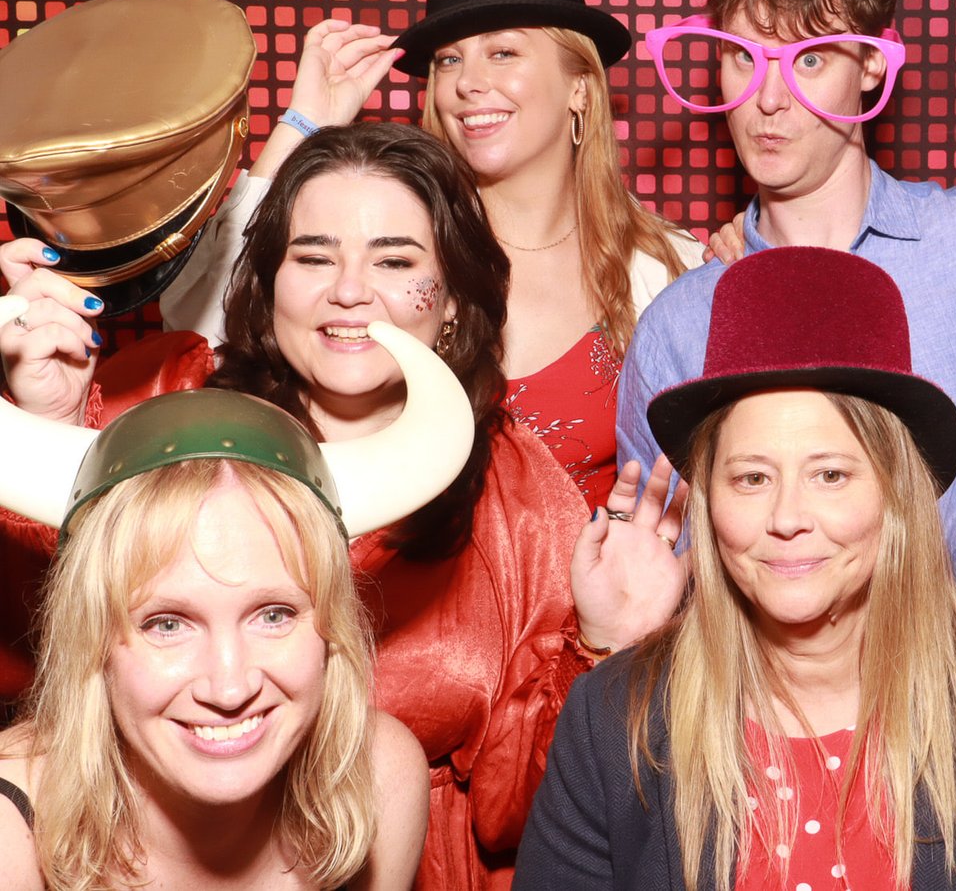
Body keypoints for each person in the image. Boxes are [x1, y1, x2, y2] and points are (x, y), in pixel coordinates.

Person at [1, 123, 684, 890]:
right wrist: (56, 426)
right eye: (313, 257)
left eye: (394, 260)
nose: (349, 290)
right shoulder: (163, 404)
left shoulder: (518, 498)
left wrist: (605, 649)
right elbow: (42, 663)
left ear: (452, 298)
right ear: (269, 281)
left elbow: (518, 816)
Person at [517, 246, 956, 891]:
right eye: (752, 477)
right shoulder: (611, 720)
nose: (787, 517)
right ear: (707, 501)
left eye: (830, 475)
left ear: (895, 493)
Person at [617, 0, 956, 630]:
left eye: (809, 60)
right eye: (743, 57)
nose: (768, 100)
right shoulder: (682, 323)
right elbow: (662, 579)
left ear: (872, 65)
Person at [160, 0, 703, 510]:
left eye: (502, 53)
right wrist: (304, 125)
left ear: (580, 86)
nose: (468, 82)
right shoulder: (398, 244)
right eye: (449, 60)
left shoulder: (666, 266)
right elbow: (201, 324)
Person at [0, 309, 474, 889]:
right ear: (91, 636)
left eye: (273, 615)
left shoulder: (380, 780)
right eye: (167, 624)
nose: (229, 688)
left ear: (333, 626)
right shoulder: (10, 838)